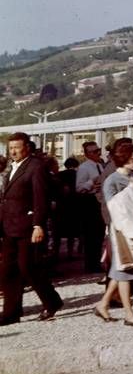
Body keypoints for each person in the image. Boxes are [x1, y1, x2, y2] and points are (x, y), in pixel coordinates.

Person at [0, 132, 63, 325]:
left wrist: (38, 225)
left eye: (17, 148)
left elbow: (40, 199)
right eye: (10, 148)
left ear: (27, 147)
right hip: (9, 225)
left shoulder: (36, 167)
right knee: (8, 270)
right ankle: (11, 312)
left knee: (28, 267)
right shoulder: (13, 167)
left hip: (27, 226)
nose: (13, 152)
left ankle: (52, 301)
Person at [95, 140, 133, 325]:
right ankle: (129, 313)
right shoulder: (112, 180)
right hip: (121, 231)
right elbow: (114, 207)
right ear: (125, 159)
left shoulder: (132, 176)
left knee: (120, 269)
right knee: (126, 270)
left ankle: (103, 304)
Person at [75, 140, 107, 272]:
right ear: (87, 154)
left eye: (98, 150)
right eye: (94, 151)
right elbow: (78, 187)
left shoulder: (101, 165)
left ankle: (96, 262)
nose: (97, 153)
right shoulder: (84, 168)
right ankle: (91, 264)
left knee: (99, 234)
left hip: (101, 200)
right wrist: (91, 183)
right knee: (91, 235)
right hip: (90, 202)